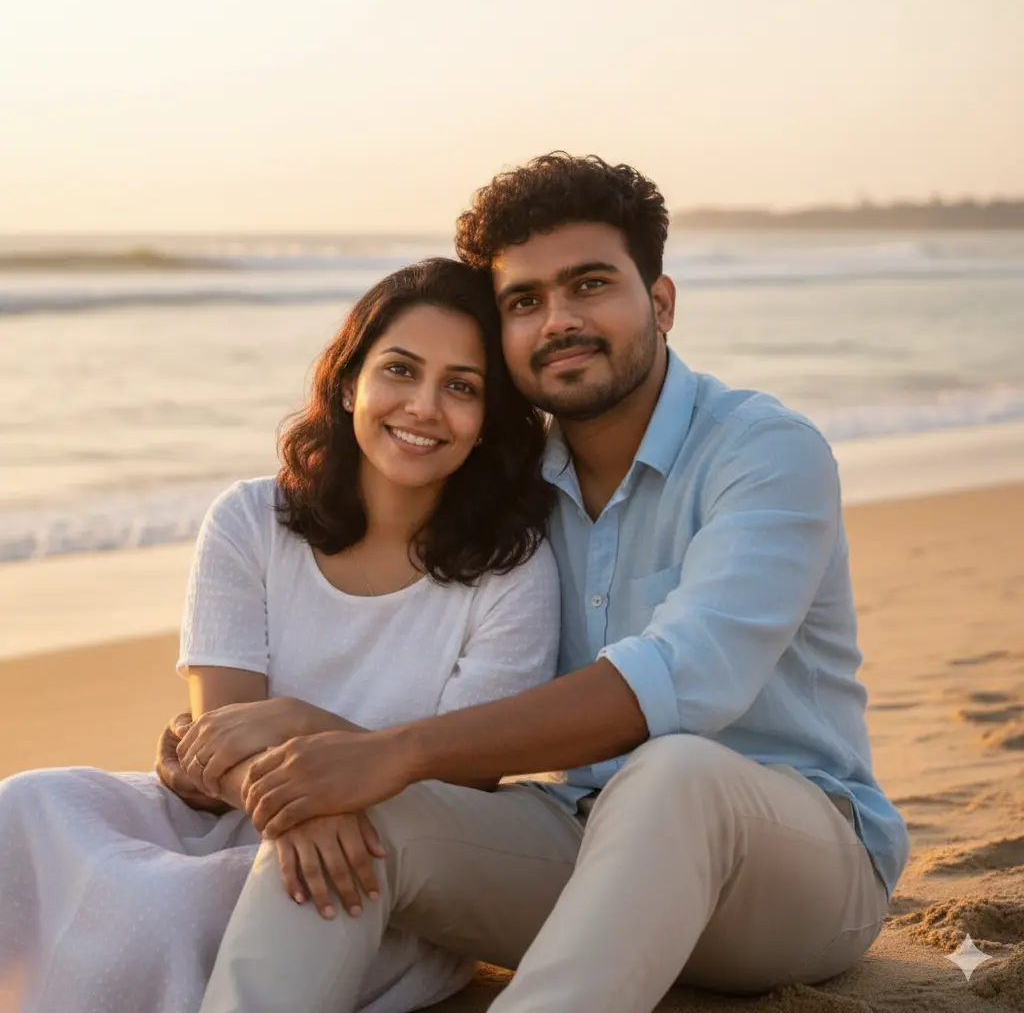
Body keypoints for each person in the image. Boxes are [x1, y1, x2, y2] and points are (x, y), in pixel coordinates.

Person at [191, 154, 911, 1013]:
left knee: (676, 771)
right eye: (523, 302)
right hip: (587, 845)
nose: (557, 321)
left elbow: (688, 675)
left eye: (590, 285)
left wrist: (396, 750)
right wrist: (270, 752)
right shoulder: (507, 491)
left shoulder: (763, 454)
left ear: (663, 302)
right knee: (356, 825)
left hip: (798, 870)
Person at [0, 258, 562, 1013]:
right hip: (239, 812)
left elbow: (463, 781)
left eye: (462, 386)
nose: (424, 406)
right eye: (400, 370)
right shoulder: (251, 519)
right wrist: (298, 799)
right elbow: (217, 733)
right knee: (28, 804)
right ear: (348, 381)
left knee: (152, 911)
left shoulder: (513, 568)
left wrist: (303, 732)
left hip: (368, 859)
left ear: (490, 418)